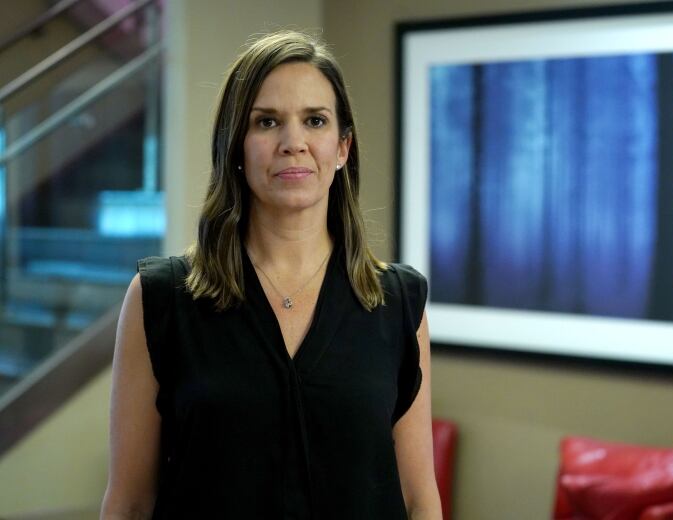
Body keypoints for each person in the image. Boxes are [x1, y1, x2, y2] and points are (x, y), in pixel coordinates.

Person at [100, 30, 441, 519]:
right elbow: (130, 504)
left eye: (315, 121)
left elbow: (418, 497)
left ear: (342, 148)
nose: (293, 143)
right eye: (267, 122)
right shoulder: (160, 299)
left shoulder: (399, 302)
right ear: (236, 146)